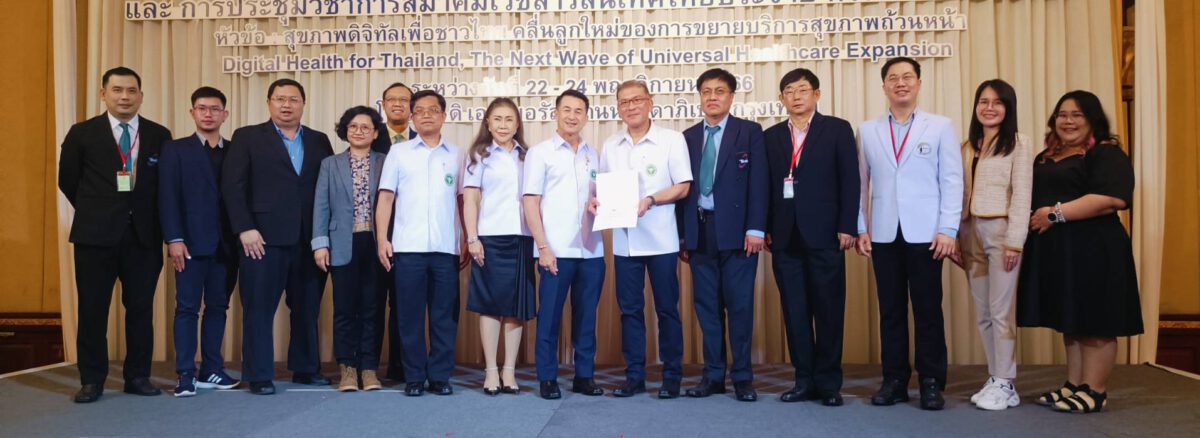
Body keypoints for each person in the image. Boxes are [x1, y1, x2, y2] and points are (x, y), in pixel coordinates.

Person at [1018, 90, 1142, 414]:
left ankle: (1095, 390)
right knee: (1071, 320)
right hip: (1061, 253)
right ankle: (1074, 385)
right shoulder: (1045, 156)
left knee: (1097, 321)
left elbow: (1111, 199)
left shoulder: (1106, 153)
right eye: (1062, 114)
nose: (1068, 121)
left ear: (1092, 120)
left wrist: (1054, 214)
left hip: (1096, 249)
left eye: (1077, 115)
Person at [58, 66, 173, 403]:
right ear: (103, 94)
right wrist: (98, 210)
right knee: (93, 310)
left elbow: (165, 185)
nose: (125, 97)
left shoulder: (159, 134)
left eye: (131, 91)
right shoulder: (82, 133)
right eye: (118, 90)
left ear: (141, 96)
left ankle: (137, 376)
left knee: (140, 310)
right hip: (95, 237)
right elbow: (68, 181)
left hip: (143, 237)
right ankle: (92, 380)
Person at [855, 57, 963, 411]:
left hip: (927, 234)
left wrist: (948, 228)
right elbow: (861, 183)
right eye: (893, 78)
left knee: (928, 310)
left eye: (907, 77)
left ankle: (931, 382)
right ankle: (895, 380)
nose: (900, 83)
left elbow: (952, 180)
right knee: (890, 311)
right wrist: (861, 227)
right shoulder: (868, 130)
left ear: (918, 82)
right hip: (884, 233)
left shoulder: (940, 126)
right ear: (884, 86)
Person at [223, 78, 334, 395]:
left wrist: (324, 235)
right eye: (280, 99)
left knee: (307, 308)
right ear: (269, 102)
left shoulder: (319, 140)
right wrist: (244, 228)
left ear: (303, 104)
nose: (287, 105)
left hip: (308, 240)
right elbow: (232, 186)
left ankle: (306, 369)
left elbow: (326, 188)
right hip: (261, 240)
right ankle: (258, 374)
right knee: (259, 309)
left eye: (294, 99)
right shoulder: (247, 137)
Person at [764, 68, 860, 407]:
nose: (796, 96)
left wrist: (848, 225)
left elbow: (851, 180)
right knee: (795, 312)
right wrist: (766, 228)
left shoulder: (837, 129)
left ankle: (829, 384)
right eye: (789, 91)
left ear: (816, 94)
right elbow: (765, 187)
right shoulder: (771, 136)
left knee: (829, 310)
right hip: (785, 237)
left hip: (826, 234)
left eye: (802, 89)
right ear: (781, 99)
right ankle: (803, 380)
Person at [595, 80, 693, 399]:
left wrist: (650, 199)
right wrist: (597, 202)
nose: (631, 106)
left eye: (637, 100)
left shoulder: (671, 140)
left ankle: (672, 376)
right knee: (630, 311)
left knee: (667, 310)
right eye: (624, 102)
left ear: (650, 102)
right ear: (618, 108)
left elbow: (683, 186)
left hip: (662, 239)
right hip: (625, 241)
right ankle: (634, 376)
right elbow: (604, 187)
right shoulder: (611, 145)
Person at [678, 68, 767, 402]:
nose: (712, 97)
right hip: (700, 232)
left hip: (739, 234)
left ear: (731, 96)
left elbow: (760, 182)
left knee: (740, 307)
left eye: (719, 91)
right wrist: (683, 237)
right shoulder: (687, 137)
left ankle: (742, 377)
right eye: (706, 91)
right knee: (707, 308)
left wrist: (756, 228)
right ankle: (713, 376)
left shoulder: (749, 131)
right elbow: (682, 190)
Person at [949, 79, 1033, 411]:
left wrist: (1015, 242)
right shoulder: (967, 146)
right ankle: (995, 376)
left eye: (997, 102)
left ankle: (1006, 380)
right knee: (983, 313)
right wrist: (955, 236)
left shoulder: (1018, 144)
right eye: (983, 101)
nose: (989, 108)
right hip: (970, 232)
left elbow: (1022, 194)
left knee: (1001, 311)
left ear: (1008, 108)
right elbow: (958, 194)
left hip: (1001, 233)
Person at [375, 90, 464, 397]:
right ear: (412, 117)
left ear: (444, 116)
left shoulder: (457, 154)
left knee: (444, 317)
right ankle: (413, 376)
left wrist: (467, 238)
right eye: (420, 110)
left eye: (433, 110)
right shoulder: (398, 153)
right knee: (409, 316)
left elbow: (464, 200)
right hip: (407, 248)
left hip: (445, 248)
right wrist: (382, 239)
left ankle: (440, 376)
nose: (427, 115)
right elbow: (386, 198)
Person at [524, 90, 607, 400]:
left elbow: (598, 197)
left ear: (586, 116)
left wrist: (600, 203)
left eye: (579, 111)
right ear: (556, 113)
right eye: (567, 110)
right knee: (549, 317)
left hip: (591, 249)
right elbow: (530, 202)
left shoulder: (593, 154)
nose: (573, 116)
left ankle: (584, 375)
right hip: (555, 250)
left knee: (587, 317)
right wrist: (543, 247)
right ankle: (547, 377)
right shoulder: (540, 153)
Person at [159, 86, 242, 397]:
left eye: (215, 109)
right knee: (187, 308)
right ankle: (185, 373)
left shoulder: (235, 150)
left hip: (227, 245)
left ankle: (211, 369)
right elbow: (167, 197)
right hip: (190, 244)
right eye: (202, 108)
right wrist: (174, 239)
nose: (208, 114)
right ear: (192, 112)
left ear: (225, 114)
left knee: (218, 307)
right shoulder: (175, 149)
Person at [463, 98, 536, 395]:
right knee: (491, 305)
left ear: (517, 124)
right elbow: (470, 199)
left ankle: (509, 370)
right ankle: (491, 370)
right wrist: (472, 238)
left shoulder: (528, 156)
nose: (503, 125)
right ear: (488, 123)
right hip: (490, 238)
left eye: (509, 119)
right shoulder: (479, 155)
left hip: (523, 237)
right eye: (497, 119)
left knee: (516, 307)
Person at [313, 106, 389, 392]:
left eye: (365, 127)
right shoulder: (330, 164)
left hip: (376, 242)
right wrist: (320, 244)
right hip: (341, 243)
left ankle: (369, 369)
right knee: (345, 309)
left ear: (375, 133)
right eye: (353, 126)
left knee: (373, 308)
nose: (359, 131)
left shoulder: (385, 162)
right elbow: (321, 205)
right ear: (345, 131)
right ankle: (347, 368)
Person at [371, 82, 417, 382]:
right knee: (373, 301)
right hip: (375, 234)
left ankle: (400, 367)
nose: (398, 104)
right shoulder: (368, 136)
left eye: (404, 99)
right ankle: (368, 367)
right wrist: (380, 236)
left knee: (404, 304)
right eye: (392, 99)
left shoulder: (423, 140)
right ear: (383, 104)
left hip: (411, 235)